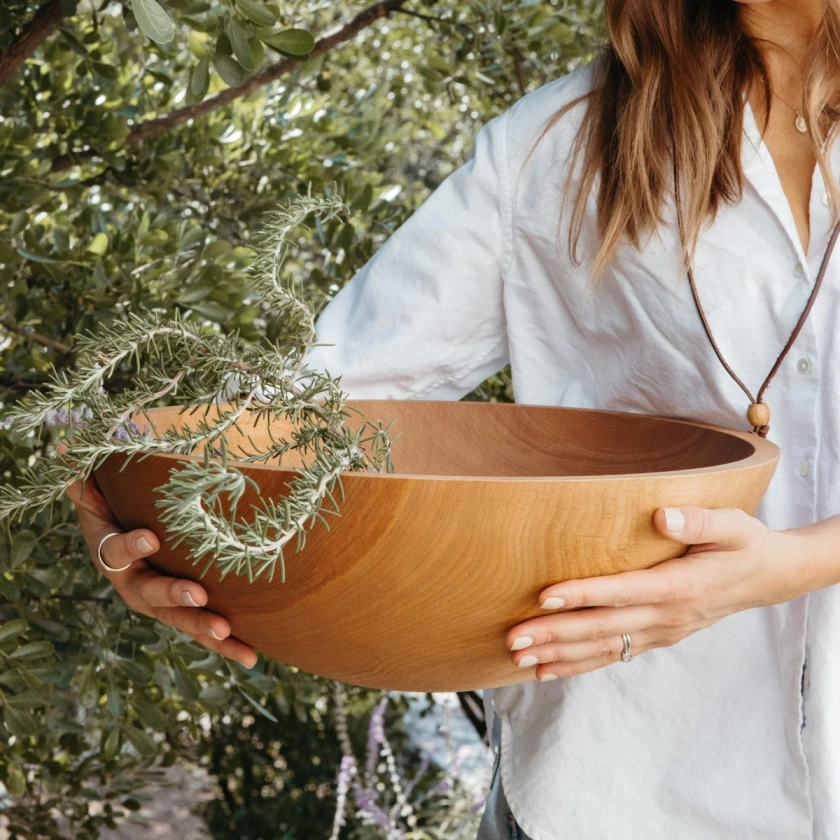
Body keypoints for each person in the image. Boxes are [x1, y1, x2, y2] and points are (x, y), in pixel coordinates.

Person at [67, 0, 840, 837]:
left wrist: (789, 565)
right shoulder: (557, 144)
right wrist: (119, 508)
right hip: (619, 785)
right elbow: (320, 402)